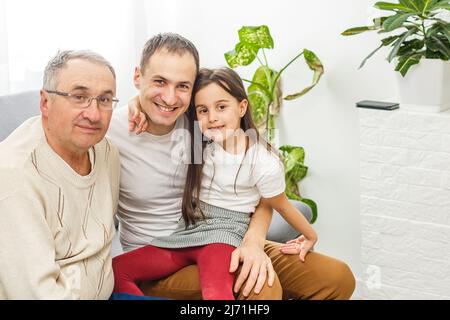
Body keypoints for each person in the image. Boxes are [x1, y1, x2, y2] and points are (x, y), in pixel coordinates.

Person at [107, 32, 355, 300]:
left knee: (336, 277)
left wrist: (254, 240)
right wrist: (136, 103)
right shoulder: (111, 133)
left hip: (228, 237)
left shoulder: (202, 124)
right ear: (137, 78)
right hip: (162, 260)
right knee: (262, 286)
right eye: (159, 81)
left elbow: (261, 193)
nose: (169, 97)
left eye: (182, 86)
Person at [0, 50, 120, 299]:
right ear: (45, 102)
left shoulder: (107, 151)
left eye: (105, 100)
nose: (94, 114)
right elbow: (34, 294)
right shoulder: (14, 174)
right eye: (79, 97)